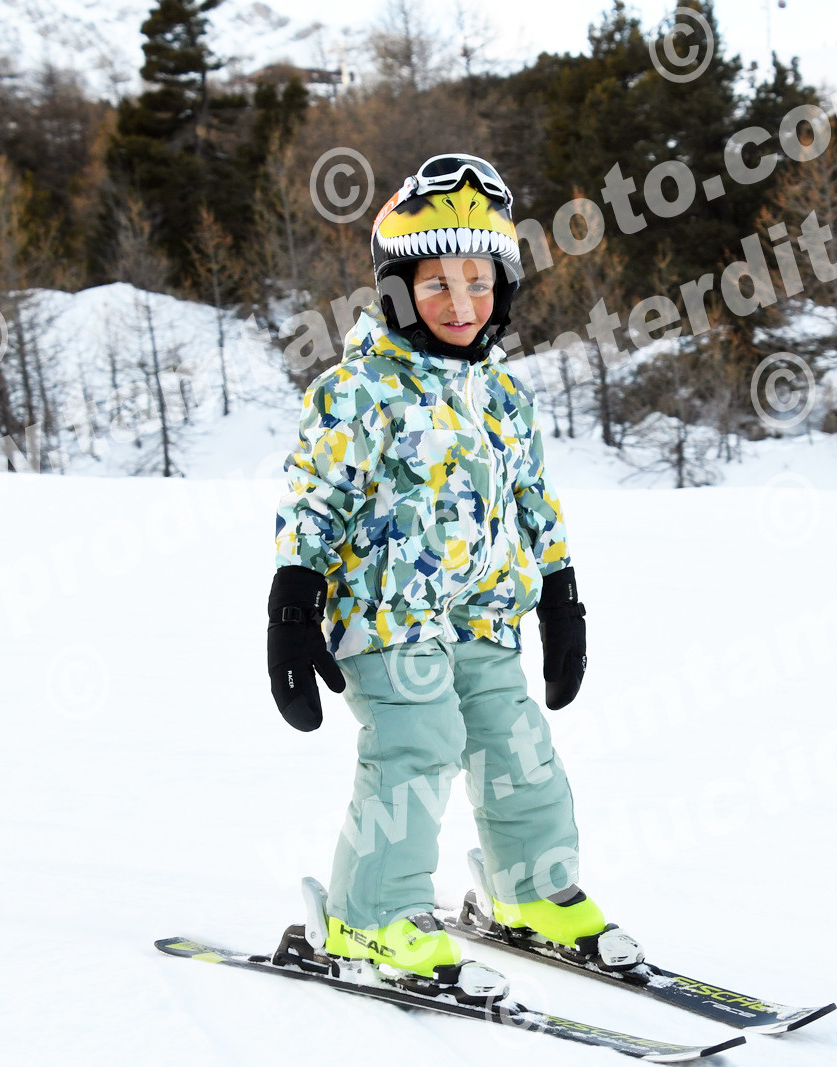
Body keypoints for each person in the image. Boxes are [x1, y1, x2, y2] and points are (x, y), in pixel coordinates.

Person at [264, 154, 641, 999]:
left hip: (481, 616)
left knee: (517, 743)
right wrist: (292, 603)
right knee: (418, 745)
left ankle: (532, 891)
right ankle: (368, 914)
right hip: (385, 615)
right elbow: (313, 500)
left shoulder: (503, 394)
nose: (462, 301)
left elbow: (535, 500)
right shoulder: (355, 391)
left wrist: (561, 596)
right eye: (437, 283)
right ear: (397, 290)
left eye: (479, 280)